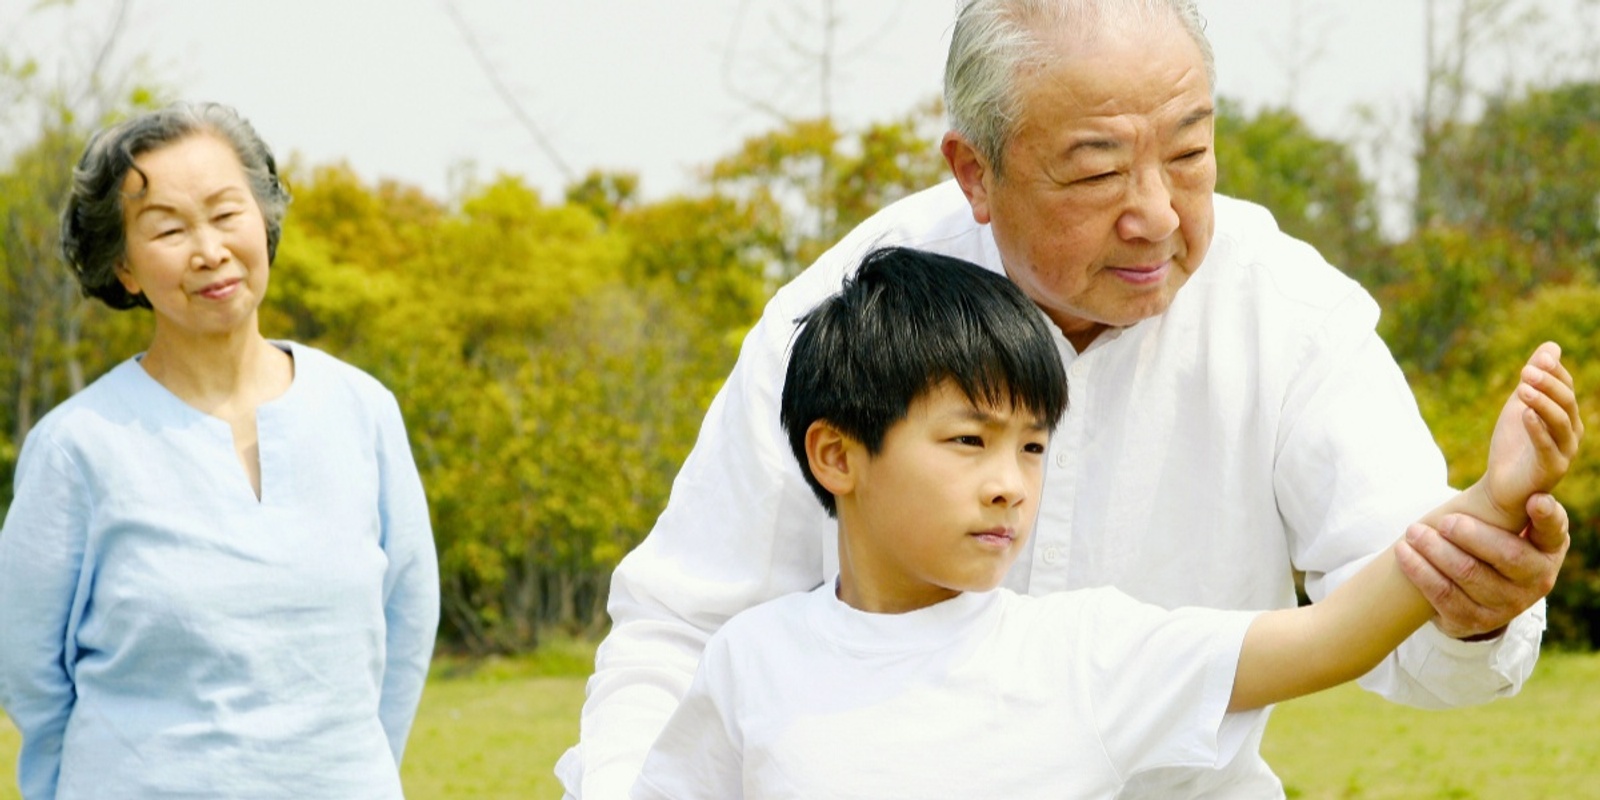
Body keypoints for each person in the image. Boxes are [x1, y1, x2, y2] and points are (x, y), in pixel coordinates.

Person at [560, 1, 1581, 796]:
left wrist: (1474, 593)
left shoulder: (1290, 315)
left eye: (1188, 154)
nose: (1153, 214)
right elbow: (681, 627)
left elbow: (1384, 614)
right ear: (975, 170)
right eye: (1095, 170)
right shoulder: (837, 321)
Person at [631, 247, 1581, 799]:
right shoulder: (751, 662)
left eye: (1033, 449)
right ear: (837, 456)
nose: (1010, 485)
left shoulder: (1085, 651)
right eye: (969, 442)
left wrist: (1488, 505)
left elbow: (1331, 634)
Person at [0, 102, 440, 798]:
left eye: (226, 213)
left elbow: (407, 625)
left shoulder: (362, 411)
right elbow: (28, 671)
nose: (209, 250)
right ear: (124, 268)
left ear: (263, 221)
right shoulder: (76, 447)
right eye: (170, 229)